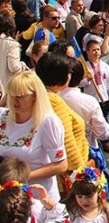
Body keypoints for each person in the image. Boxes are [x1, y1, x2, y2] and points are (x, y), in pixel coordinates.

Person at [0, 71, 68, 200]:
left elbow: (61, 164)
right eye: (12, 95)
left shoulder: (47, 122)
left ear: (34, 96)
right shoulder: (1, 116)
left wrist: (22, 177)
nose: (15, 101)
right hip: (7, 197)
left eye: (20, 96)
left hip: (38, 197)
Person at [34, 54, 89, 172]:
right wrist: (83, 174)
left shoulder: (42, 95)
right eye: (68, 72)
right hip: (68, 175)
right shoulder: (53, 101)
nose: (70, 76)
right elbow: (67, 143)